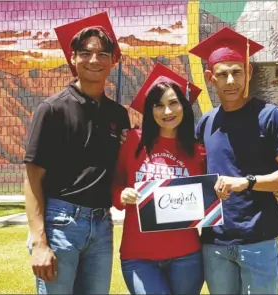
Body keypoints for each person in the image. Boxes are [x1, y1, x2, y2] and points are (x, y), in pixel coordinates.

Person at [189, 27, 278, 294]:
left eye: (237, 72)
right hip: (215, 244)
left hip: (258, 241)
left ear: (249, 73)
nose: (231, 80)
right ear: (210, 78)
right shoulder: (206, 122)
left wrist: (250, 182)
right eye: (222, 74)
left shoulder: (270, 117)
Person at [23, 12, 131, 295]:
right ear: (73, 58)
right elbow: (32, 177)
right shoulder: (53, 109)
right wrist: (39, 241)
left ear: (113, 61)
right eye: (85, 53)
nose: (94, 60)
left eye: (102, 54)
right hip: (61, 224)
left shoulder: (117, 115)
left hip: (102, 225)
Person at [112, 62, 205, 295]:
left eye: (173, 103)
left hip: (186, 255)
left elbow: (213, 189)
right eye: (158, 105)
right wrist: (121, 194)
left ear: (184, 106)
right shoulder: (132, 141)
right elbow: (113, 185)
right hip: (139, 256)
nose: (167, 112)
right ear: (149, 110)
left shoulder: (198, 151)